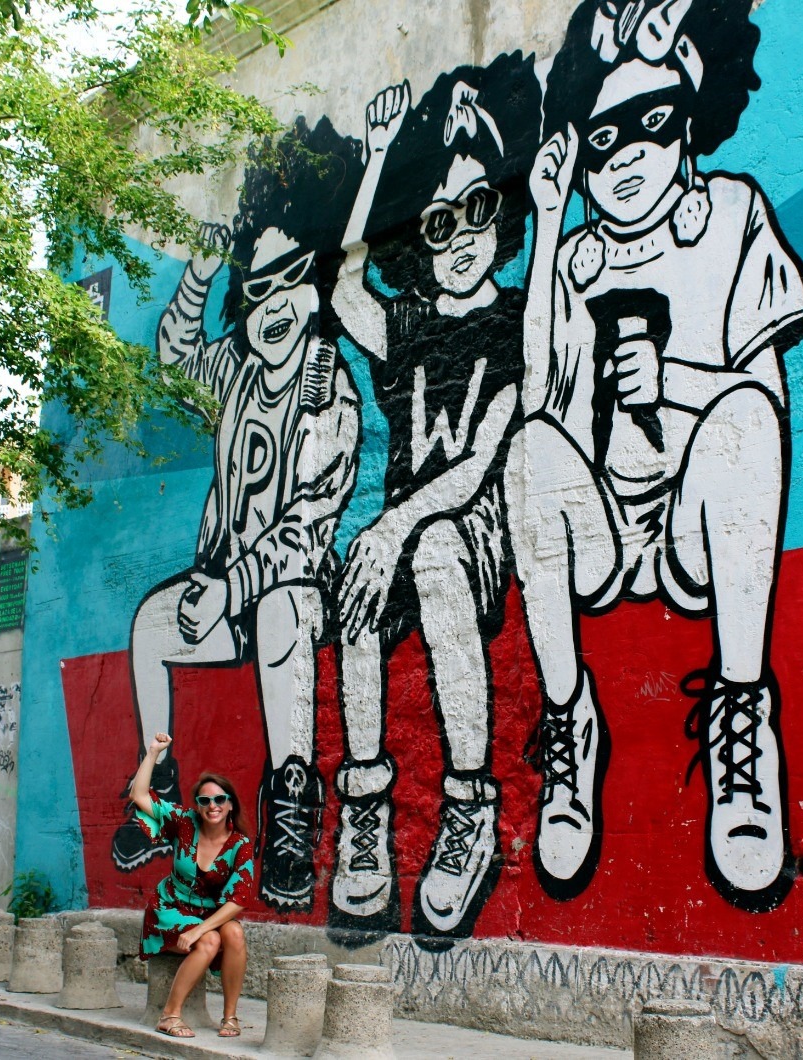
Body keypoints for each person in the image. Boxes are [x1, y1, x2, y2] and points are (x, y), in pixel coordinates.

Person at [511, 0, 803, 912]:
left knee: (742, 426)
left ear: (689, 116)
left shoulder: (731, 215)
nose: (628, 155)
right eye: (603, 137)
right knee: (526, 449)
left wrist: (671, 380)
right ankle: (569, 723)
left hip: (697, 524)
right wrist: (542, 224)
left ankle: (740, 714)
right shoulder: (572, 259)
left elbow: (766, 406)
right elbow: (536, 405)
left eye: (652, 122)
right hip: (606, 525)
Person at [109, 117, 364, 914]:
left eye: (287, 283)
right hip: (222, 593)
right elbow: (174, 353)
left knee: (286, 607)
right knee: (151, 626)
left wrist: (235, 587)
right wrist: (200, 271)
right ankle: (161, 793)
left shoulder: (332, 393)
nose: (271, 307)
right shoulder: (238, 368)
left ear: (315, 285)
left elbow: (304, 529)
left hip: (290, 597)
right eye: (254, 292)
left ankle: (291, 803)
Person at [329, 56, 539, 945]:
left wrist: (393, 522)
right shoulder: (408, 321)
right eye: (439, 219)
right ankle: (367, 810)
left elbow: (482, 459)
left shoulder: (518, 320)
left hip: (472, 529)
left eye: (478, 209)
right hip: (399, 533)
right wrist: (375, 162)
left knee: (437, 551)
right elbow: (342, 289)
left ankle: (467, 809)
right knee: (357, 599)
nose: (457, 235)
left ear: (504, 216)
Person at [127, 732, 254, 1039]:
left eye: (219, 799)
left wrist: (198, 929)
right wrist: (154, 752)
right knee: (210, 942)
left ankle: (230, 1017)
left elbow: (238, 899)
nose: (213, 805)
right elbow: (139, 795)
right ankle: (169, 1016)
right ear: (197, 806)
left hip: (206, 917)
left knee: (234, 932)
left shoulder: (241, 845)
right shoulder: (184, 822)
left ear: (230, 805)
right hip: (169, 909)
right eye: (205, 800)